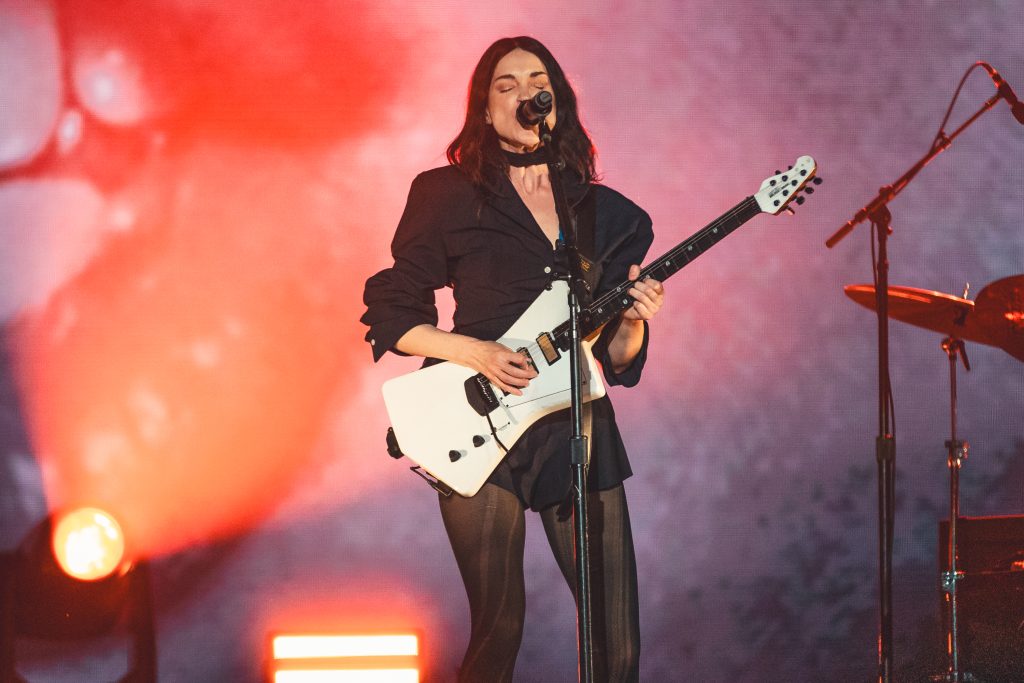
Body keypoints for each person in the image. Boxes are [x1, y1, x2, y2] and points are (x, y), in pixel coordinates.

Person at [361, 36, 665, 682]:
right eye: (506, 83)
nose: (524, 91)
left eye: (537, 80)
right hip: (478, 414)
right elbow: (392, 314)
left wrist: (634, 319)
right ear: (485, 108)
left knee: (617, 647)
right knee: (500, 626)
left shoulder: (607, 217)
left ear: (558, 101)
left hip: (574, 421)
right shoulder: (446, 194)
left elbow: (616, 357)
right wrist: (476, 353)